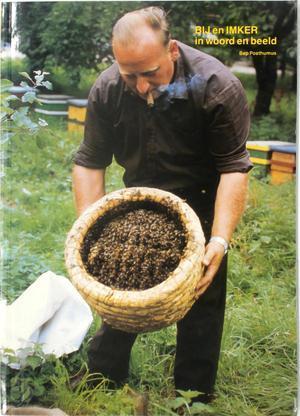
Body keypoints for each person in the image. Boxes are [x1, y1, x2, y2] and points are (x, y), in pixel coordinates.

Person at [72, 6, 252, 404]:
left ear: (172, 50)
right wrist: (89, 226)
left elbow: (234, 168)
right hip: (138, 201)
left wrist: (219, 241)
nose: (138, 86)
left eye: (149, 73)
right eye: (128, 74)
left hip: (203, 201)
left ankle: (192, 397)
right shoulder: (107, 89)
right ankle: (102, 378)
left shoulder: (217, 86)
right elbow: (89, 161)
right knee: (120, 288)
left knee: (201, 298)